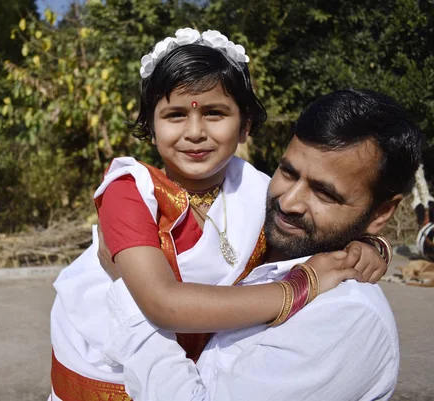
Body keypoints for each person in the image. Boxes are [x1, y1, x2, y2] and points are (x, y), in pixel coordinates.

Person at [49, 29, 387, 400]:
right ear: (150, 126)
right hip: (109, 368)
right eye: (175, 115)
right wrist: (299, 288)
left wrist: (368, 244)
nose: (195, 132)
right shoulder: (129, 191)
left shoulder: (260, 190)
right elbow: (162, 304)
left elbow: (314, 230)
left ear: (244, 125)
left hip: (185, 369)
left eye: (215, 113)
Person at [100, 88, 423, 401]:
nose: (290, 201)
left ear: (382, 212)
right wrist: (373, 243)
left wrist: (127, 290)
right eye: (287, 172)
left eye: (325, 193)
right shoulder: (260, 226)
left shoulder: (346, 318)